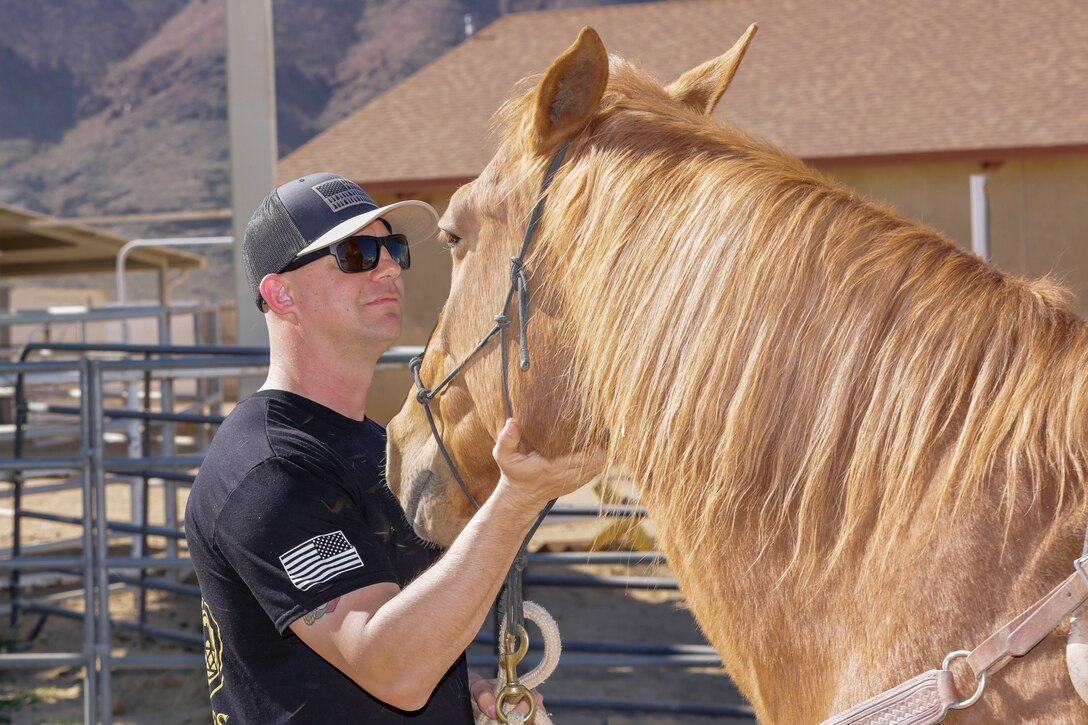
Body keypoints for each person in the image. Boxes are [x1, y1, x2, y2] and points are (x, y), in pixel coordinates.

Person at [184, 173, 603, 723]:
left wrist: (464, 690)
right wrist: (517, 500)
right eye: (355, 252)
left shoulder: (370, 443)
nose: (387, 267)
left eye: (393, 248)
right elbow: (390, 670)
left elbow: (399, 638)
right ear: (280, 293)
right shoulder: (269, 468)